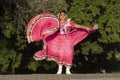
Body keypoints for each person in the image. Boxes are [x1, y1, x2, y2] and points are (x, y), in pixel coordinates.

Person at [33, 11, 98, 74]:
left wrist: (86, 28)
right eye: (61, 15)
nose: (62, 16)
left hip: (68, 40)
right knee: (60, 53)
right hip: (58, 40)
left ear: (66, 16)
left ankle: (68, 70)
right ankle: (60, 69)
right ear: (59, 16)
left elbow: (77, 26)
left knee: (69, 53)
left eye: (64, 15)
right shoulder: (56, 23)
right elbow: (49, 28)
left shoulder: (69, 22)